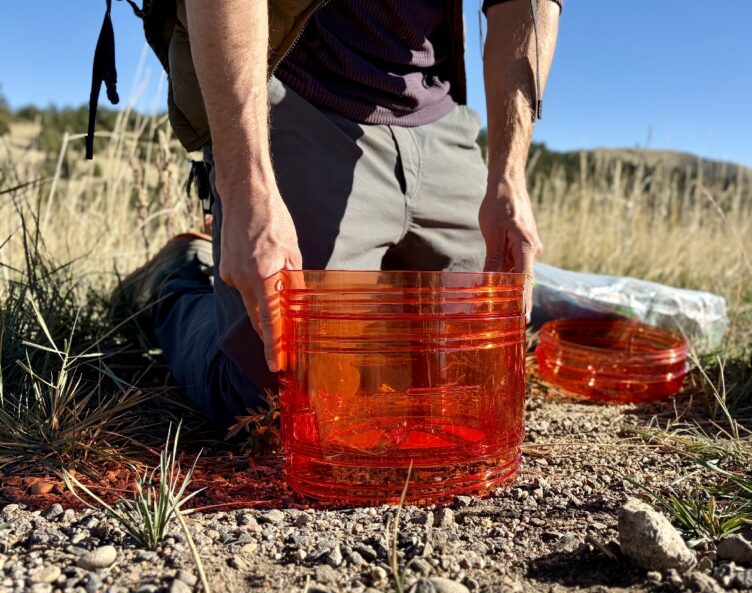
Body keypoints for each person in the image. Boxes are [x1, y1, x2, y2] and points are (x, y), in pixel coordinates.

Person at [115, 0, 561, 428]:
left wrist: (508, 177)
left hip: (437, 117)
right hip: (301, 93)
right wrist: (246, 190)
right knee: (282, 400)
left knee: (469, 380)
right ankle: (179, 278)